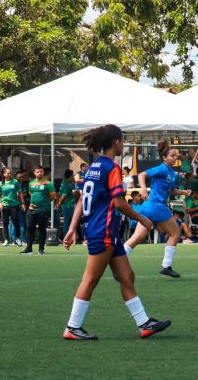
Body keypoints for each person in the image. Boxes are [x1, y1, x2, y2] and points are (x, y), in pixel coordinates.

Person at [61, 124, 168, 341]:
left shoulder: (92, 167)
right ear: (117, 142)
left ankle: (144, 323)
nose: (123, 144)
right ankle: (72, 327)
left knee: (126, 276)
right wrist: (143, 219)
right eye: (123, 140)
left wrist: (73, 228)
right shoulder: (111, 167)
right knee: (90, 279)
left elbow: (82, 199)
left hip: (104, 230)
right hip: (103, 230)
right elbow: (119, 203)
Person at [123, 139, 192, 278]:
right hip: (157, 207)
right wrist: (143, 189)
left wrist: (183, 192)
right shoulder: (162, 168)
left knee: (136, 238)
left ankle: (117, 261)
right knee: (175, 234)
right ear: (164, 157)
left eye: (176, 156)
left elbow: (170, 191)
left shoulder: (172, 173)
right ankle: (166, 265)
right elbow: (142, 175)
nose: (175, 158)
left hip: (147, 208)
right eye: (172, 156)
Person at [20, 165, 56, 255]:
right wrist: (31, 204)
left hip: (43, 210)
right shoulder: (31, 183)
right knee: (29, 228)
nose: (40, 173)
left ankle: (41, 249)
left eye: (41, 171)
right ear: (34, 173)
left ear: (43, 172)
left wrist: (43, 203)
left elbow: (52, 196)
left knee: (42, 229)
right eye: (38, 171)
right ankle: (29, 249)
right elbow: (31, 194)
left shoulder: (48, 183)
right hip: (32, 210)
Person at [0, 167, 24, 246]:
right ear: (4, 174)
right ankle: (6, 240)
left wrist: (22, 203)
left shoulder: (15, 182)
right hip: (4, 206)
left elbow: (20, 193)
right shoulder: (0, 183)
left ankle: (18, 238)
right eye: (7, 173)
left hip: (14, 205)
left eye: (10, 173)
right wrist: (0, 203)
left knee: (16, 222)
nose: (9, 174)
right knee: (5, 223)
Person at [58, 170, 76, 241]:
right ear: (70, 176)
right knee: (67, 221)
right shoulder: (66, 184)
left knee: (68, 221)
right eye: (73, 175)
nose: (73, 176)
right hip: (68, 205)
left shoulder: (64, 182)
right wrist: (59, 203)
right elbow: (64, 195)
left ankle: (64, 237)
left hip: (68, 205)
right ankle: (66, 238)